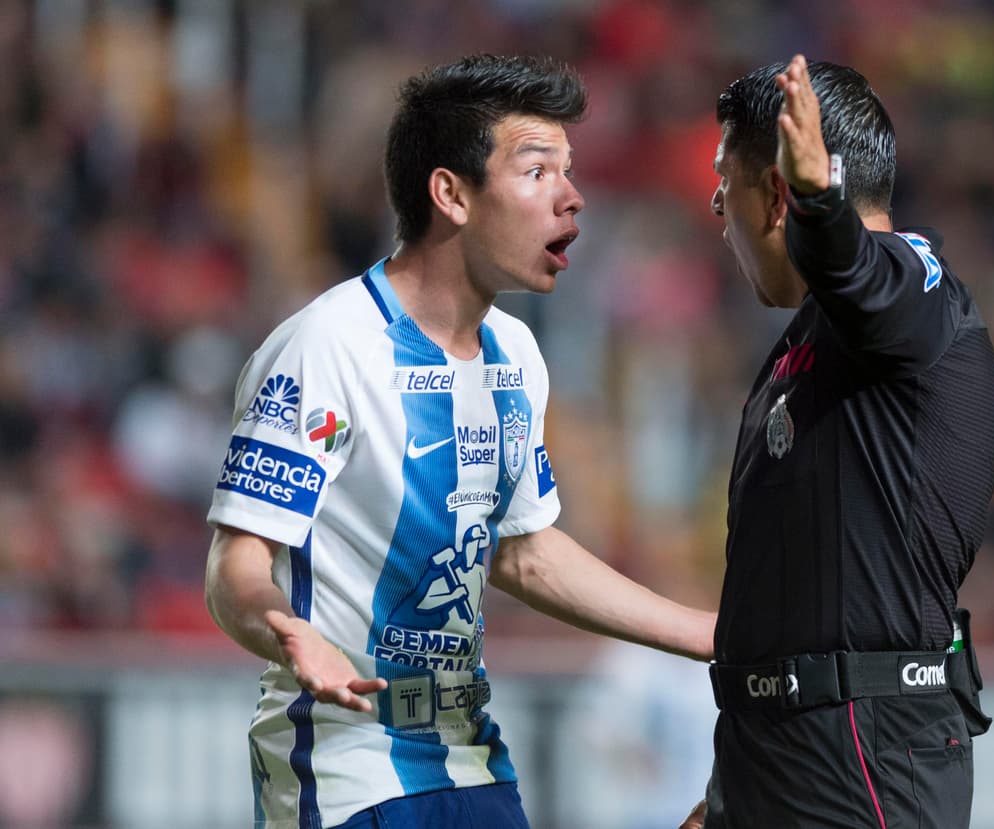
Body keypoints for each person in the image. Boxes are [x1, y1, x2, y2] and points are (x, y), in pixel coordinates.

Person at [203, 54, 715, 829]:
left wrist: (709, 635)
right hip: (346, 762)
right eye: (537, 171)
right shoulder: (328, 347)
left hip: (470, 750)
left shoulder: (517, 355)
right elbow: (234, 567)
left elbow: (523, 551)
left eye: (568, 171)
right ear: (451, 194)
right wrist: (292, 634)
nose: (571, 196)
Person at [682, 55, 994, 829]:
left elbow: (861, 274)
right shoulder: (802, 349)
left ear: (778, 195)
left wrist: (820, 206)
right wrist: (727, 795)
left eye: (727, 178)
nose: (716, 201)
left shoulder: (917, 285)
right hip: (777, 755)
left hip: (863, 754)